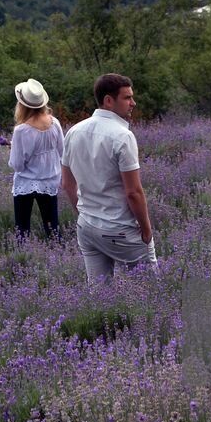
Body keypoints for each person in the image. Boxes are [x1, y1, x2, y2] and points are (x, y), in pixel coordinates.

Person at [60, 73, 156, 283]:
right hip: (120, 228)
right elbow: (133, 192)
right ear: (108, 101)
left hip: (87, 227)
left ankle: (102, 317)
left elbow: (67, 184)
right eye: (127, 98)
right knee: (151, 291)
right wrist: (147, 231)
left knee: (98, 294)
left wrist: (83, 213)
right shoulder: (123, 136)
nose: (133, 103)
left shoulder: (73, 132)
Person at [9, 78, 64, 239]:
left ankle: (22, 259)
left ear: (22, 105)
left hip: (26, 182)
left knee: (22, 231)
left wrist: (14, 148)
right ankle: (58, 257)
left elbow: (17, 165)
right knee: (53, 229)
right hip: (50, 180)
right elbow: (63, 152)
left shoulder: (21, 131)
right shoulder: (55, 123)